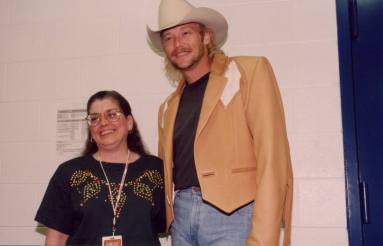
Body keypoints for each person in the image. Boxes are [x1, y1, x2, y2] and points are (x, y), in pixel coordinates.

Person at [146, 0, 293, 245]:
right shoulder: (168, 107)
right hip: (182, 218)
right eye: (169, 38)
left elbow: (272, 158)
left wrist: (264, 237)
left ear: (206, 37)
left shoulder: (249, 72)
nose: (177, 44)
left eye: (185, 33)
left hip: (234, 216)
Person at [35, 90, 165, 246]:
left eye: (112, 115)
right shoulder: (68, 173)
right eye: (94, 118)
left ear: (129, 122)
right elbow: (56, 238)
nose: (103, 123)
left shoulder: (156, 170)